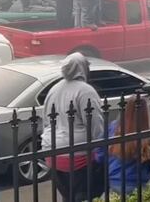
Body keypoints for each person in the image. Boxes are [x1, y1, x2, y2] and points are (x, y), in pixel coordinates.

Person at [41, 53, 105, 202]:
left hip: (52, 152)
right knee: (84, 194)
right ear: (83, 68)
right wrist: (102, 146)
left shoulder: (54, 89)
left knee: (67, 195)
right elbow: (95, 124)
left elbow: (46, 120)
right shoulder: (85, 91)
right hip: (78, 155)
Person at [95, 96, 150, 196]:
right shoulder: (149, 134)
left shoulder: (113, 128)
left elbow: (99, 153)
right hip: (139, 181)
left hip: (115, 180)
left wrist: (110, 161)